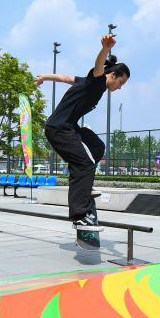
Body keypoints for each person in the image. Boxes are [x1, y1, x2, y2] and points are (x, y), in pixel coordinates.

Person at [35, 33, 130, 231]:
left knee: (97, 146)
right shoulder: (97, 81)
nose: (120, 88)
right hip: (58, 129)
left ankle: (83, 183)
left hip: (69, 127)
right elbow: (98, 66)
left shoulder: (86, 81)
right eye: (121, 83)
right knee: (84, 164)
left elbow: (65, 78)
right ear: (112, 75)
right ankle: (80, 216)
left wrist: (44, 76)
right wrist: (105, 48)